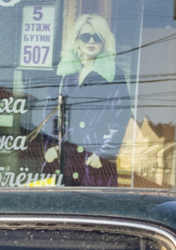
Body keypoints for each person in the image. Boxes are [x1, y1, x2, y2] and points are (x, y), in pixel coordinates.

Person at [44, 13, 129, 187]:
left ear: (104, 41)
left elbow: (120, 118)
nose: (91, 41)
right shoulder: (63, 75)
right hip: (64, 159)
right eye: (85, 36)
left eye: (96, 37)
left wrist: (103, 154)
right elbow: (50, 114)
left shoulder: (113, 74)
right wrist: (51, 146)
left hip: (95, 161)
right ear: (77, 41)